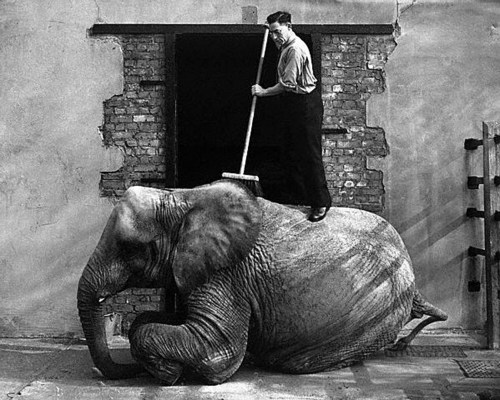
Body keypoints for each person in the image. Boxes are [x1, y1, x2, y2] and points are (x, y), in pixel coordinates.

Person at [252, 11, 332, 222]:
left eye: (277, 31)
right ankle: (298, 197)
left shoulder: (295, 49)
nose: (274, 37)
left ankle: (321, 203)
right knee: (290, 151)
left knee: (309, 153)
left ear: (289, 26)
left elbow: (287, 84)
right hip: (293, 102)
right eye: (271, 33)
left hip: (306, 104)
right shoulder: (285, 45)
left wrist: (262, 92)